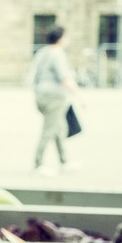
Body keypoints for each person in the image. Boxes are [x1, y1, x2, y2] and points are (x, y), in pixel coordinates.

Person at [32, 25, 79, 175]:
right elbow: (64, 77)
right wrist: (79, 96)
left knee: (58, 128)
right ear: (61, 39)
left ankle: (64, 160)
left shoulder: (42, 53)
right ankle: (38, 164)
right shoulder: (57, 54)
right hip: (54, 97)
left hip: (41, 95)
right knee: (49, 130)